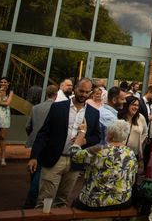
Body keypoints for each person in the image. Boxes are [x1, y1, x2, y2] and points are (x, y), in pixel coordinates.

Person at [28, 77, 101, 209]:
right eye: (81, 91)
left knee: (62, 200)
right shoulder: (58, 107)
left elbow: (97, 136)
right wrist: (34, 156)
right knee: (44, 200)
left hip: (75, 162)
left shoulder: (93, 113)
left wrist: (84, 140)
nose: (83, 94)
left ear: (90, 93)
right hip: (54, 159)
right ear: (74, 89)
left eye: (86, 92)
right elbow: (43, 133)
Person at [70, 119, 137, 211]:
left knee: (74, 203)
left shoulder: (99, 150)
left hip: (96, 202)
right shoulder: (130, 153)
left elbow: (74, 155)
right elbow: (132, 179)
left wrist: (81, 134)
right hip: (123, 200)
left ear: (110, 134)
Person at [23, 84, 58, 208]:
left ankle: (33, 193)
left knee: (34, 169)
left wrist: (32, 137)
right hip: (47, 144)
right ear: (56, 94)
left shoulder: (36, 108)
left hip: (34, 142)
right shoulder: (57, 108)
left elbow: (28, 126)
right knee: (40, 171)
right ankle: (31, 199)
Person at [118, 95, 148, 160]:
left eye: (137, 105)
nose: (136, 107)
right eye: (133, 105)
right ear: (127, 105)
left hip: (134, 153)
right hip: (119, 151)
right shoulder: (119, 116)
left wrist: (140, 142)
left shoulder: (140, 117)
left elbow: (145, 132)